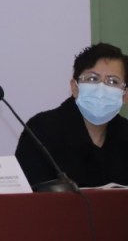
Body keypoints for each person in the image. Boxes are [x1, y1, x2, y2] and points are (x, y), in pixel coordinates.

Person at [15, 42, 128, 188]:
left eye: (112, 81)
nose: (101, 89)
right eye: (92, 79)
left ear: (125, 95)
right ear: (75, 87)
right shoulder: (41, 130)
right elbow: (28, 195)